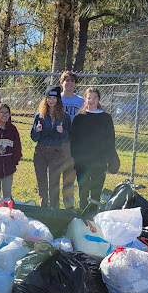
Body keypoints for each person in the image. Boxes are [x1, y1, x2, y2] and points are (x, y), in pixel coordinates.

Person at [70, 87, 116, 211]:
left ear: (99, 99)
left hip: (99, 160)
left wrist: (108, 157)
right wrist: (76, 158)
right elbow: (73, 139)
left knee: (96, 189)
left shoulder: (106, 118)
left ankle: (93, 212)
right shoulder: (79, 118)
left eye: (95, 98)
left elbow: (110, 139)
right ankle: (82, 212)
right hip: (82, 161)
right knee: (83, 189)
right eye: (89, 98)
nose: (92, 100)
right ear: (85, 99)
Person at [30, 85, 72, 208]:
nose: (51, 100)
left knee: (54, 182)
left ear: (58, 99)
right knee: (42, 181)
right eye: (49, 97)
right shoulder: (39, 116)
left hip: (56, 152)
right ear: (45, 99)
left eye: (54, 98)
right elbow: (33, 137)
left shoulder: (65, 117)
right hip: (41, 151)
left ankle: (54, 208)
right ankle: (44, 206)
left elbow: (68, 137)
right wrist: (37, 130)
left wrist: (62, 132)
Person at [59, 71, 85, 209]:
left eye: (72, 81)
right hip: (58, 141)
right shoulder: (56, 99)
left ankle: (69, 208)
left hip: (74, 142)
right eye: (66, 80)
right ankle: (52, 206)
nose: (69, 83)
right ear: (61, 82)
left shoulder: (80, 101)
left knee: (70, 176)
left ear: (75, 84)